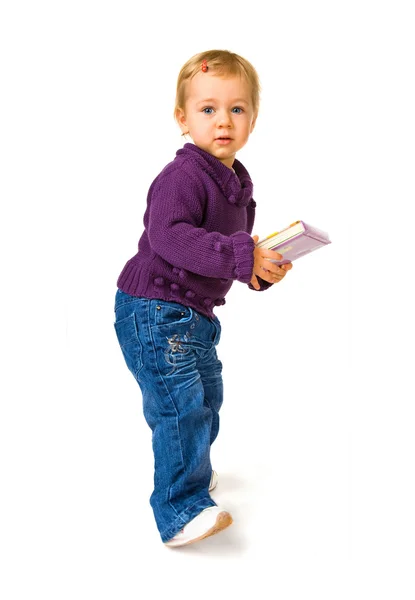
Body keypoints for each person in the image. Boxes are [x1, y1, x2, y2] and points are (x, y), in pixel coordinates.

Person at [114, 49, 292, 547]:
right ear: (182, 118)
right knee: (179, 407)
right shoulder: (183, 177)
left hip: (193, 316)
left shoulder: (237, 187)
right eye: (208, 109)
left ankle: (192, 466)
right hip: (153, 308)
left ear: (253, 119)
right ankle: (179, 508)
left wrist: (259, 271)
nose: (223, 122)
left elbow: (221, 259)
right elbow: (169, 237)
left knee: (208, 400)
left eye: (237, 109)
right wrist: (240, 255)